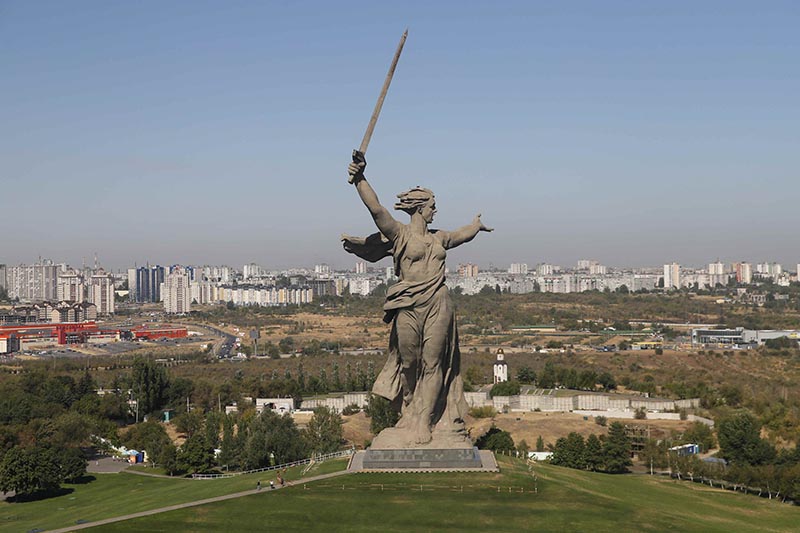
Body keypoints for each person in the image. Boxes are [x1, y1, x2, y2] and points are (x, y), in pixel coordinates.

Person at [344, 151, 492, 445]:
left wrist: (475, 225)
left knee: (433, 362)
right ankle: (411, 411)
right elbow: (376, 210)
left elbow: (462, 234)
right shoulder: (399, 235)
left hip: (438, 302)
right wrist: (360, 177)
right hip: (408, 305)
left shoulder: (439, 238)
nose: (435, 211)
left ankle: (424, 421)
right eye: (433, 206)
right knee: (409, 363)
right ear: (420, 208)